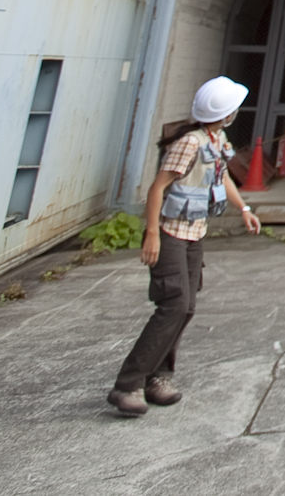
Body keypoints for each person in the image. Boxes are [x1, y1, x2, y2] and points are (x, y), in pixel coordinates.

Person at [108, 76, 262, 416]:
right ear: (226, 112)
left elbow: (220, 177)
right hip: (172, 234)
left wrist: (244, 209)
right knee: (173, 305)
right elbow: (158, 187)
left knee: (187, 306)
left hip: (195, 233)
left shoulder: (216, 139)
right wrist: (151, 234)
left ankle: (158, 378)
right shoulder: (189, 143)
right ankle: (127, 384)